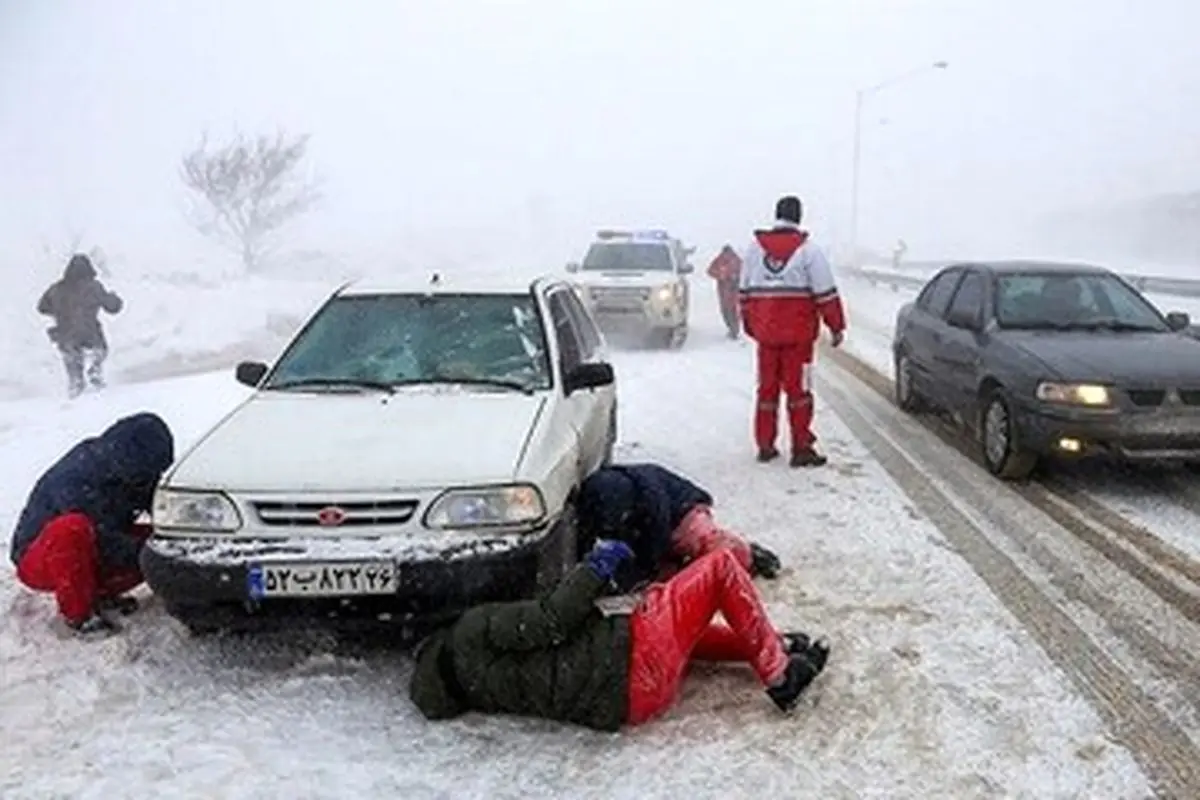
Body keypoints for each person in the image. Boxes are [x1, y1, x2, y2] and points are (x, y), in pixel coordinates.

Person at [409, 539, 831, 730]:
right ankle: (780, 676)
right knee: (719, 569)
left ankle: (778, 645)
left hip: (631, 701)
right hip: (628, 655)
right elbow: (553, 619)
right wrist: (595, 565)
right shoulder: (470, 630)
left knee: (672, 621)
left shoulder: (472, 686)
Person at [9, 412, 175, 637]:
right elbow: (102, 538)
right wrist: (149, 556)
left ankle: (96, 596)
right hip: (39, 557)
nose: (153, 477)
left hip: (93, 546)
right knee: (73, 529)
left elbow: (158, 508)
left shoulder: (137, 469)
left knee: (160, 540)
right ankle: (78, 616)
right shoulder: (77, 475)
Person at [739, 196, 847, 467]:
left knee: (767, 391)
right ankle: (801, 448)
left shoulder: (754, 250)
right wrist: (836, 326)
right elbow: (825, 293)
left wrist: (751, 326)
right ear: (799, 217)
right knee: (799, 392)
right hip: (798, 340)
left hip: (766, 337)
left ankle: (765, 445)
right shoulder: (809, 252)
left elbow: (744, 292)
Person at [576, 463, 781, 592]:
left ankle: (749, 557)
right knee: (668, 584)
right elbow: (589, 539)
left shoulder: (650, 497)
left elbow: (655, 535)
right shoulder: (596, 498)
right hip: (650, 530)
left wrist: (644, 569)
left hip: (683, 513)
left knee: (709, 546)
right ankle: (683, 567)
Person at [37, 252, 124, 398]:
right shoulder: (93, 287)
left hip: (64, 334)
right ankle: (94, 371)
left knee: (72, 361)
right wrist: (114, 298)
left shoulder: (57, 289)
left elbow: (41, 307)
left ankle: (76, 387)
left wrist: (58, 311)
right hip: (90, 332)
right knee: (100, 351)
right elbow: (112, 307)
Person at [707, 244, 743, 339]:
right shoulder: (719, 260)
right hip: (722, 290)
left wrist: (735, 276)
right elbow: (710, 271)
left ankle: (734, 330)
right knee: (724, 311)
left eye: (729, 253)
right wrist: (719, 275)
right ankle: (730, 328)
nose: (727, 255)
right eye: (725, 253)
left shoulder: (737, 261)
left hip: (733, 290)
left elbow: (744, 272)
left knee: (733, 310)